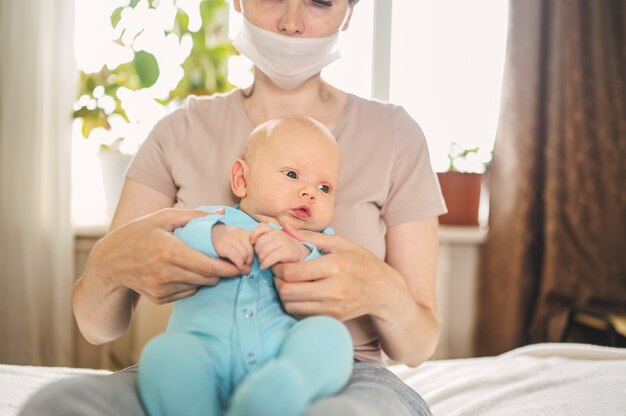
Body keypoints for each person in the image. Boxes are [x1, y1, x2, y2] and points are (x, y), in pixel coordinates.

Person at [20, 1, 446, 415]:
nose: (292, 22)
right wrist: (110, 266)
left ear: (349, 13)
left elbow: (417, 345)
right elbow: (98, 327)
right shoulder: (180, 131)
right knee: (58, 407)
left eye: (320, 1)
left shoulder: (395, 137)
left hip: (340, 374)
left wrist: (383, 291)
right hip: (203, 360)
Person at [138, 115, 353, 416]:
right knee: (163, 354)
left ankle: (286, 386)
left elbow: (335, 283)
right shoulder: (214, 218)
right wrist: (214, 236)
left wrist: (300, 254)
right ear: (242, 180)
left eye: (325, 188)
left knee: (332, 336)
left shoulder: (318, 242)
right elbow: (175, 241)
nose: (309, 192)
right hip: (204, 350)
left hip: (281, 353)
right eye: (292, 174)